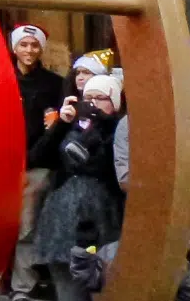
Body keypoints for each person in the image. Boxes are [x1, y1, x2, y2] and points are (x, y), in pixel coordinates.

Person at [33, 74, 125, 301]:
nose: (92, 103)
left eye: (100, 97)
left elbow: (109, 167)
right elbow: (38, 157)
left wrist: (102, 125)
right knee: (68, 291)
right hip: (61, 225)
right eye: (88, 97)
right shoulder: (70, 126)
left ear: (114, 102)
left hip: (102, 224)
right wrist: (61, 124)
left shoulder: (120, 130)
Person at [3, 25, 67, 299]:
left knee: (26, 229)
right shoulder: (0, 77)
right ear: (14, 48)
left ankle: (22, 287)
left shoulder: (54, 84)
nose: (29, 50)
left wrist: (33, 157)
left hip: (36, 166)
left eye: (34, 45)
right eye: (24, 44)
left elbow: (53, 130)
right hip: (1, 167)